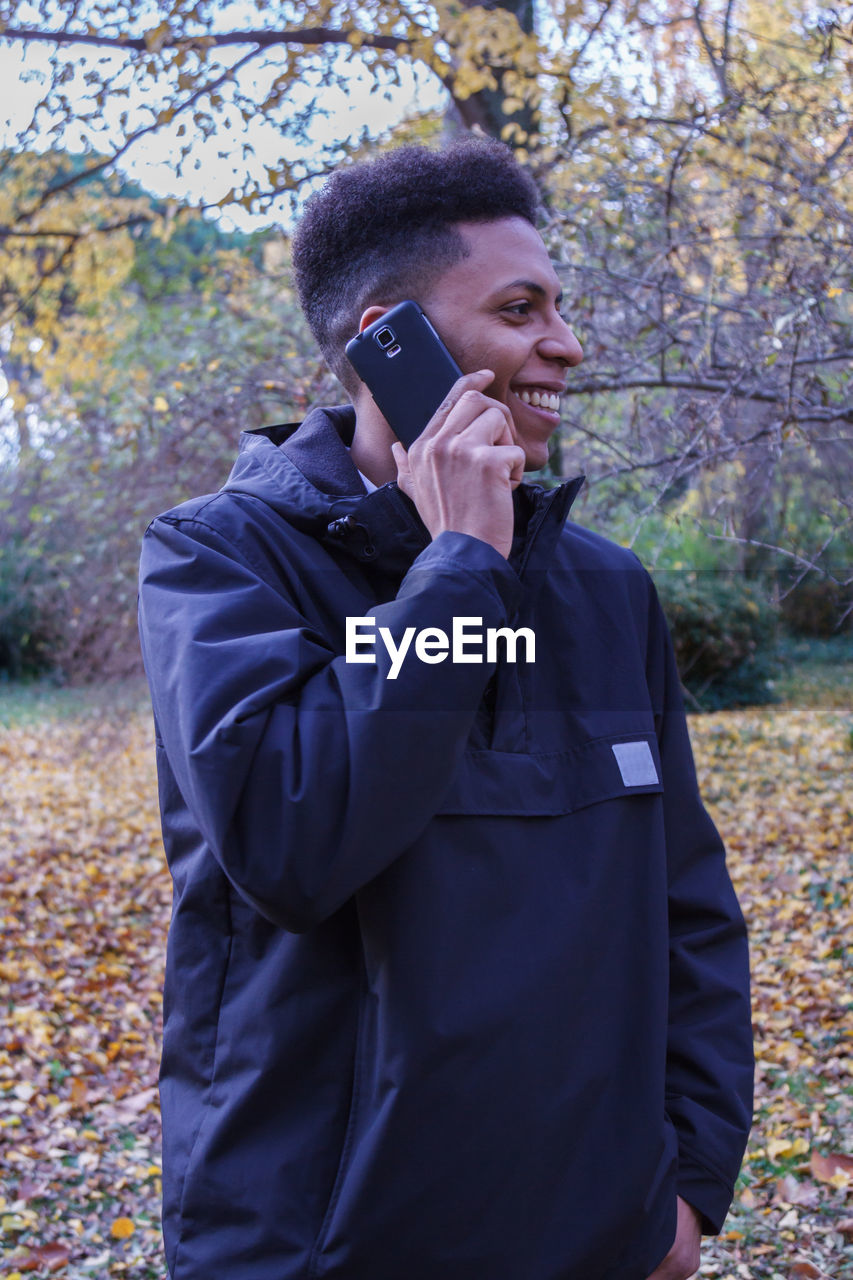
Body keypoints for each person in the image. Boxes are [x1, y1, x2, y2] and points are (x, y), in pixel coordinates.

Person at [138, 137, 753, 1280]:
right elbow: (291, 838)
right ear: (387, 340)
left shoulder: (606, 588)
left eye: (558, 307)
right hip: (325, 1246)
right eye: (521, 309)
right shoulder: (217, 559)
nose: (563, 344)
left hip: (599, 1238)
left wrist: (688, 1185)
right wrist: (462, 560)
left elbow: (688, 907)